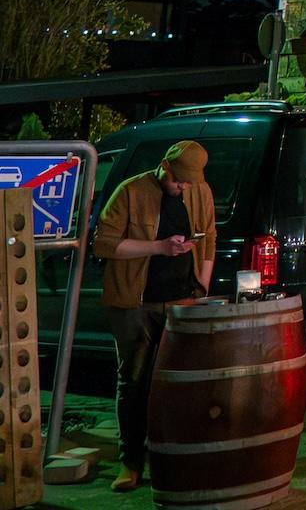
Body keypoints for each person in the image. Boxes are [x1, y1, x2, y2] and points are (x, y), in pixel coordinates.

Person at [91, 141, 216, 494]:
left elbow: (209, 238)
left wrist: (202, 287)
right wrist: (160, 247)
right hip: (134, 302)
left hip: (181, 300)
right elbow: (104, 244)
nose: (183, 187)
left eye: (190, 183)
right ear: (165, 166)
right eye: (179, 181)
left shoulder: (200, 191)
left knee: (177, 385)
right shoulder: (131, 191)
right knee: (133, 380)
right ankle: (130, 462)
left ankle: (171, 459)